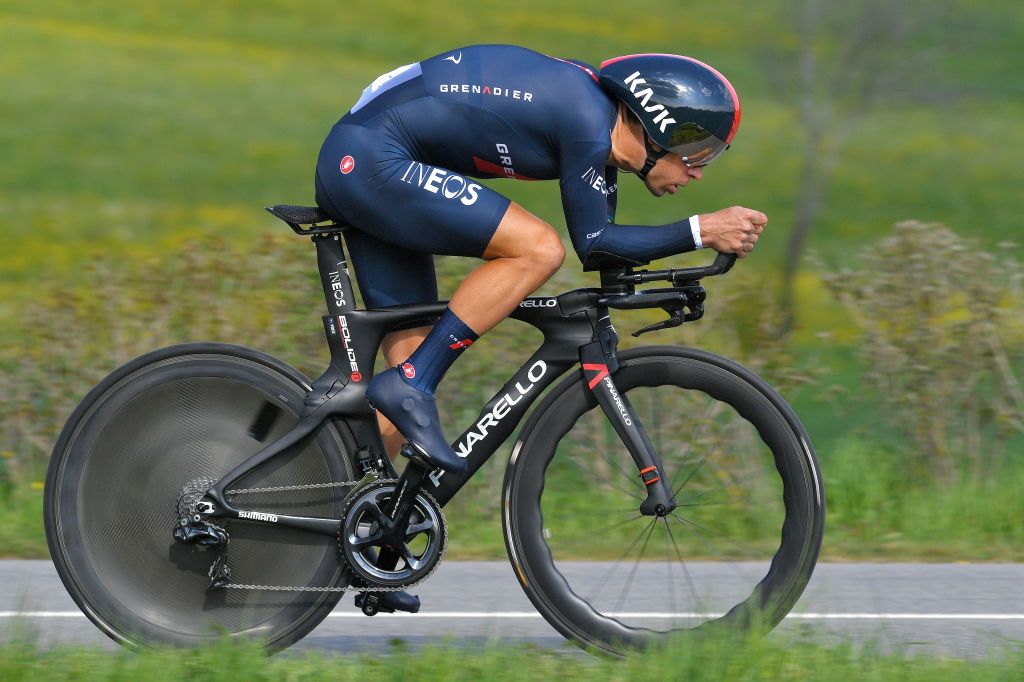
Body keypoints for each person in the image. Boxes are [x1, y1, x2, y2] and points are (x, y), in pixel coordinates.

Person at [314, 45, 766, 612]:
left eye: (710, 158)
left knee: (401, 395)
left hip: (376, 157)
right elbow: (590, 245)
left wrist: (680, 276)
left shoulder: (600, 141)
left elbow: (604, 250)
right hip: (374, 159)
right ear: (655, 129)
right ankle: (412, 381)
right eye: (695, 152)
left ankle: (350, 541)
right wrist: (702, 229)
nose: (698, 171)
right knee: (536, 249)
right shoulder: (585, 119)